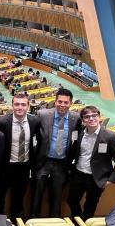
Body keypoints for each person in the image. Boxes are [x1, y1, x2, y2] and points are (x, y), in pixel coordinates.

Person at [67, 106, 115, 220]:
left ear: (99, 117)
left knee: (90, 207)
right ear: (83, 120)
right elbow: (74, 153)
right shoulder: (80, 134)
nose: (91, 119)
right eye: (87, 117)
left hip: (97, 179)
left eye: (94, 115)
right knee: (71, 200)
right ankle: (79, 222)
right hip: (78, 175)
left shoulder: (110, 136)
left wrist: (110, 180)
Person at [32, 88, 81, 218]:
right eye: (60, 101)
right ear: (55, 101)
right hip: (43, 162)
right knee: (36, 196)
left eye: (66, 102)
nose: (62, 105)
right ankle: (31, 224)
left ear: (71, 103)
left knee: (57, 198)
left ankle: (55, 224)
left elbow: (77, 141)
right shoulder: (42, 115)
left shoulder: (76, 118)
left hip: (61, 164)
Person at [0, 93, 40, 220]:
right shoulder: (1, 122)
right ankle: (0, 224)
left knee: (19, 198)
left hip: (24, 168)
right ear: (12, 105)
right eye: (17, 104)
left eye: (23, 104)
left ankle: (16, 224)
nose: (20, 107)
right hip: (5, 167)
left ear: (28, 106)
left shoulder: (34, 121)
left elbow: (38, 142)